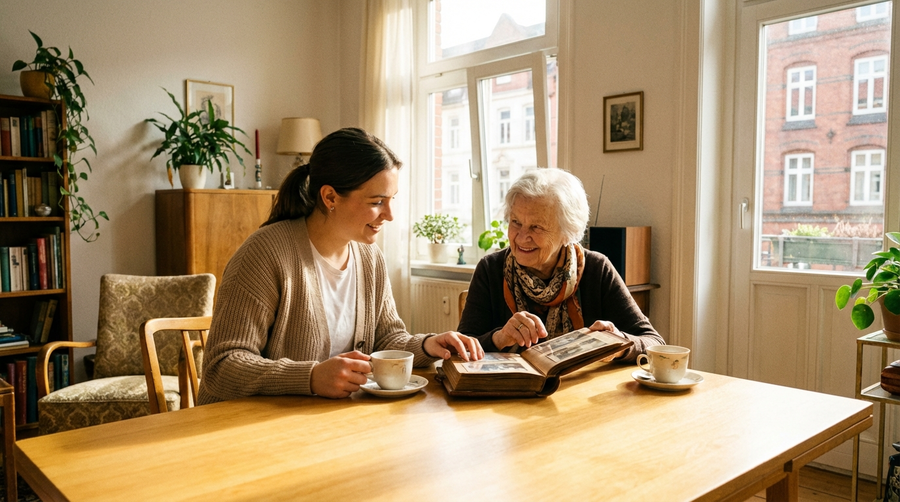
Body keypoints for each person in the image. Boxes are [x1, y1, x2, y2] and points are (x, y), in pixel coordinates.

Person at [198, 128, 484, 405]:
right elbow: (221, 366)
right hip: (240, 426)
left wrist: (427, 345)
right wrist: (310, 377)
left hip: (323, 422)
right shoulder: (265, 254)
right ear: (330, 197)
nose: (390, 214)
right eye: (377, 201)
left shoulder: (370, 257)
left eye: (392, 199)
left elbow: (387, 339)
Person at [458, 167, 664, 361]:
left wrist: (619, 343)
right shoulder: (490, 269)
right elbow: (462, 347)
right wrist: (499, 338)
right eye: (516, 222)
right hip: (511, 386)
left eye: (536, 227)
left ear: (568, 233)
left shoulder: (596, 268)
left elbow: (654, 342)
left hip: (582, 386)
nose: (521, 237)